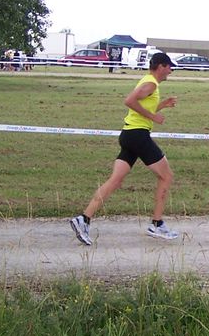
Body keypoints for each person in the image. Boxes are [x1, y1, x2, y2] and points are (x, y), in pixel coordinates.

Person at [70, 52, 180, 245]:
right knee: (167, 176)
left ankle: (83, 219)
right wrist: (154, 117)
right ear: (161, 66)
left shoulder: (149, 83)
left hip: (129, 135)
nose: (171, 71)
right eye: (169, 67)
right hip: (138, 136)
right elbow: (129, 101)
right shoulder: (151, 83)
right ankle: (156, 223)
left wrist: (162, 105)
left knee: (115, 181)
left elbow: (141, 108)